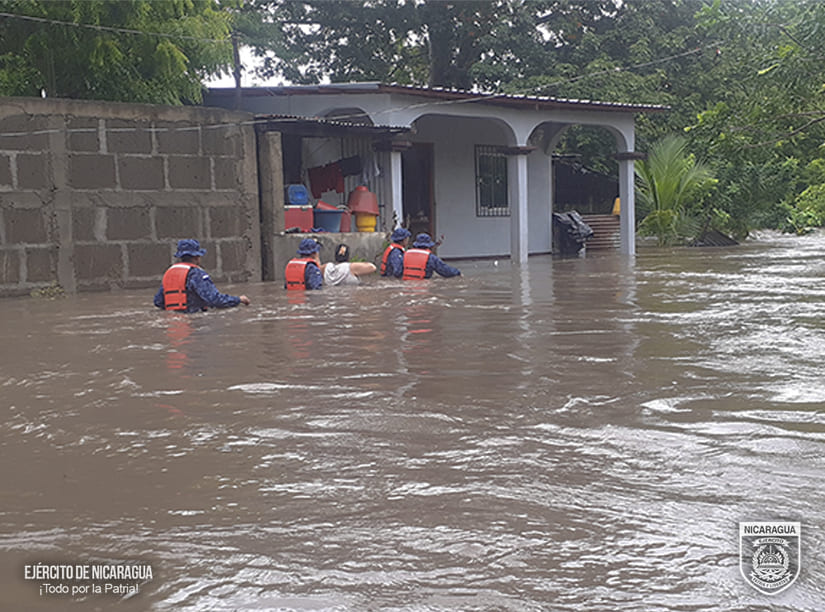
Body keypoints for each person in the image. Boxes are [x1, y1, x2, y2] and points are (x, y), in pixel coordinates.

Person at [154, 239, 250, 312]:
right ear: (197, 257)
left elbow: (158, 302)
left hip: (174, 325)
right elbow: (214, 299)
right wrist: (238, 300)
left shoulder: (169, 273)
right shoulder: (196, 273)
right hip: (193, 320)